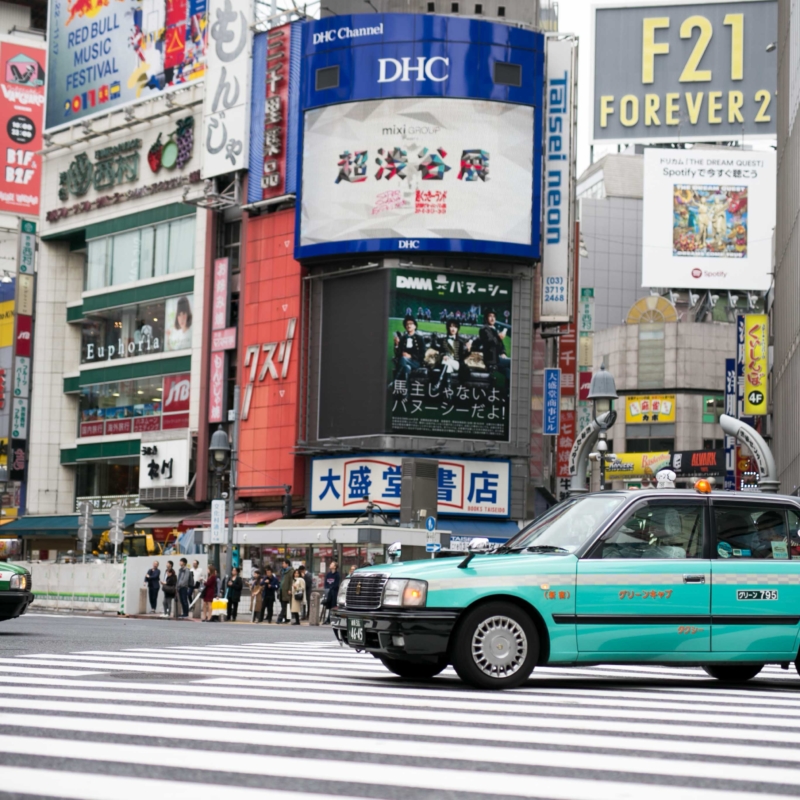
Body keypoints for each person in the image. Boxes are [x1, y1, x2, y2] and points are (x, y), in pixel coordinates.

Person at [475, 310, 510, 383]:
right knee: (512, 363)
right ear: (486, 318)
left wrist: (503, 352)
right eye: (490, 316)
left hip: (496, 358)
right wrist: (498, 337)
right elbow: (489, 342)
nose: (492, 318)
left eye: (494, 316)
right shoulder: (484, 329)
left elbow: (500, 344)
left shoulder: (494, 329)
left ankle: (507, 392)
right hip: (490, 359)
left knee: (508, 372)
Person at [434, 318, 470, 389]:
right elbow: (440, 352)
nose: (453, 329)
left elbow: (463, 356)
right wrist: (443, 356)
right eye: (451, 326)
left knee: (447, 362)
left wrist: (468, 349)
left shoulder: (461, 341)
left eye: (455, 327)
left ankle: (439, 382)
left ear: (457, 329)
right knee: (448, 364)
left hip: (457, 364)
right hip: (447, 362)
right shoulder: (443, 341)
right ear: (448, 328)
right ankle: (448, 391)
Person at [392, 316, 426, 387]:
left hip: (416, 362)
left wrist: (410, 356)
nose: (409, 325)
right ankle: (406, 392)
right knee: (406, 367)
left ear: (415, 326)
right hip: (404, 362)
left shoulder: (419, 338)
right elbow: (398, 354)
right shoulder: (403, 338)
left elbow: (422, 355)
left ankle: (394, 381)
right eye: (407, 324)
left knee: (404, 359)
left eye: (411, 323)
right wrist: (396, 345)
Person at [278, 559, 293, 624]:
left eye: (283, 563)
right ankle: (287, 619)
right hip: (281, 590)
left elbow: (291, 581)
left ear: (287, 564)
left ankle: (280, 618)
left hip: (287, 591)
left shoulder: (290, 571)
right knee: (283, 606)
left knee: (284, 606)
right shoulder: (282, 571)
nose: (282, 565)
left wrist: (290, 589)